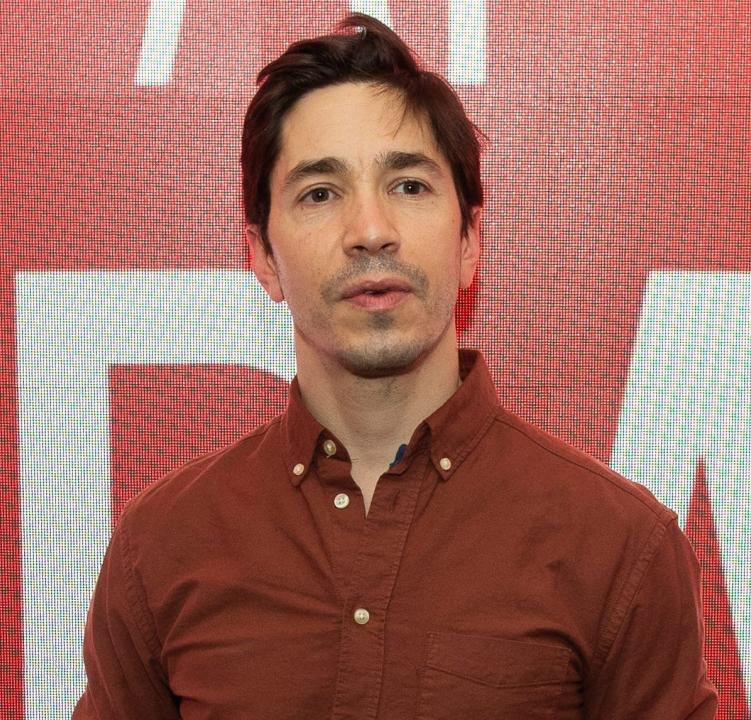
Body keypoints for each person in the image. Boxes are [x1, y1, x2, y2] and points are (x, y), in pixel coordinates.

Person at [74, 13, 718, 719]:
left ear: (471, 238)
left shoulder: (621, 545)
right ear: (261, 255)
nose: (370, 231)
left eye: (409, 185)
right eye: (320, 193)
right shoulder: (162, 545)